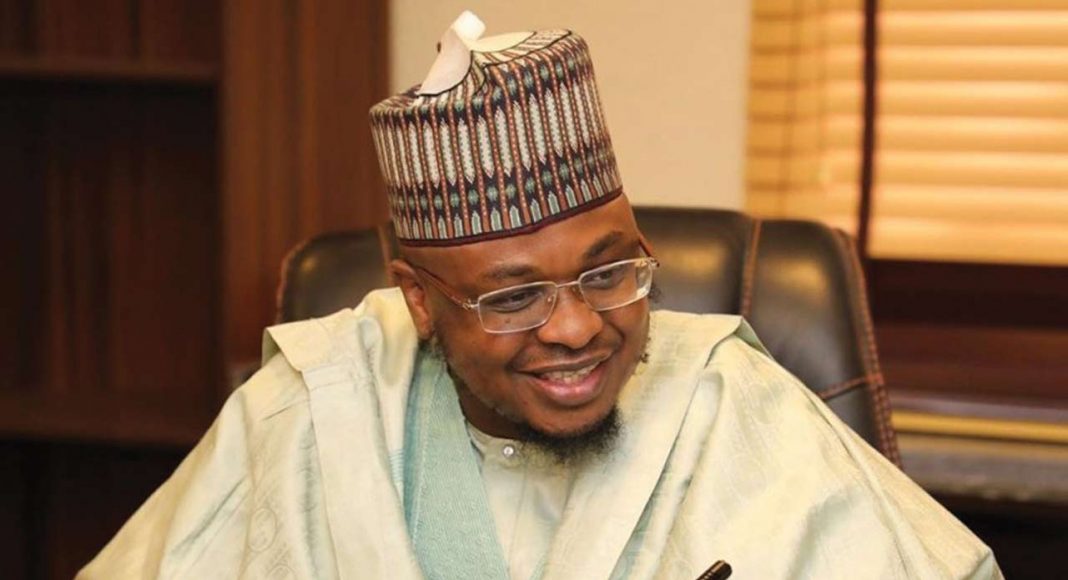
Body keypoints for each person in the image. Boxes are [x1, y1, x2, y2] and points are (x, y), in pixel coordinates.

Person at [81, 13, 1001, 579]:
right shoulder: (312, 409)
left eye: (609, 272)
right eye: (513, 298)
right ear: (418, 300)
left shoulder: (737, 405)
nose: (577, 328)